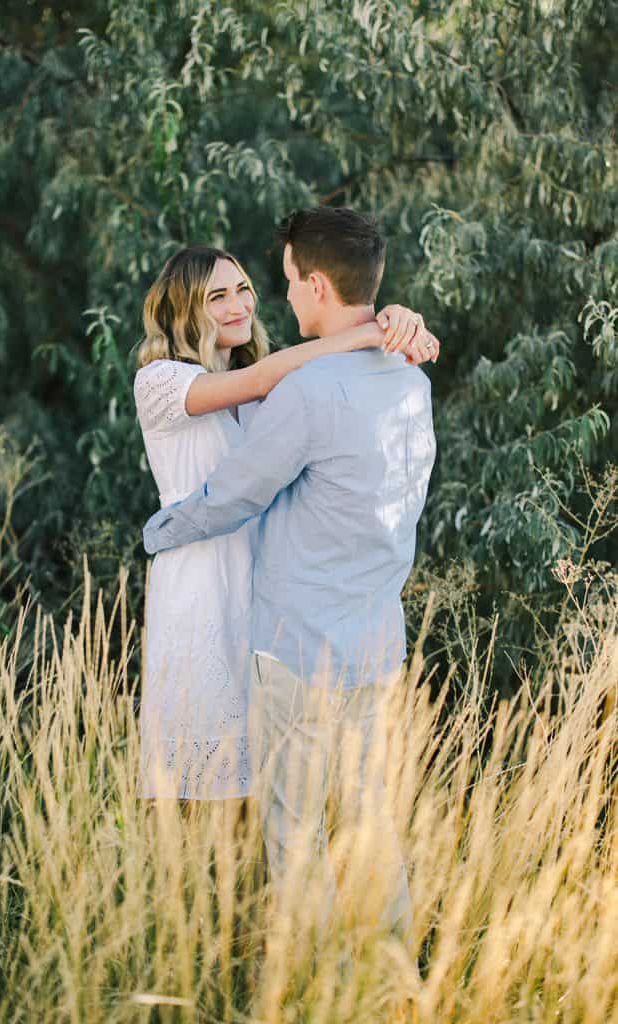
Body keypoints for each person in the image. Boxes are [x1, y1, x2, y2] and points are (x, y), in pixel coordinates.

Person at [142, 208, 438, 945]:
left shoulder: (287, 384)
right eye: (220, 295)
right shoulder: (403, 383)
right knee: (329, 806)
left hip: (286, 628)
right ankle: (372, 969)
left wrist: (157, 532)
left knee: (289, 822)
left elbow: (237, 493)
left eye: (258, 286)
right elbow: (281, 379)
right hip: (279, 615)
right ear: (182, 307)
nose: (249, 304)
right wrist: (381, 327)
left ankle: (312, 979)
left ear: (312, 285)